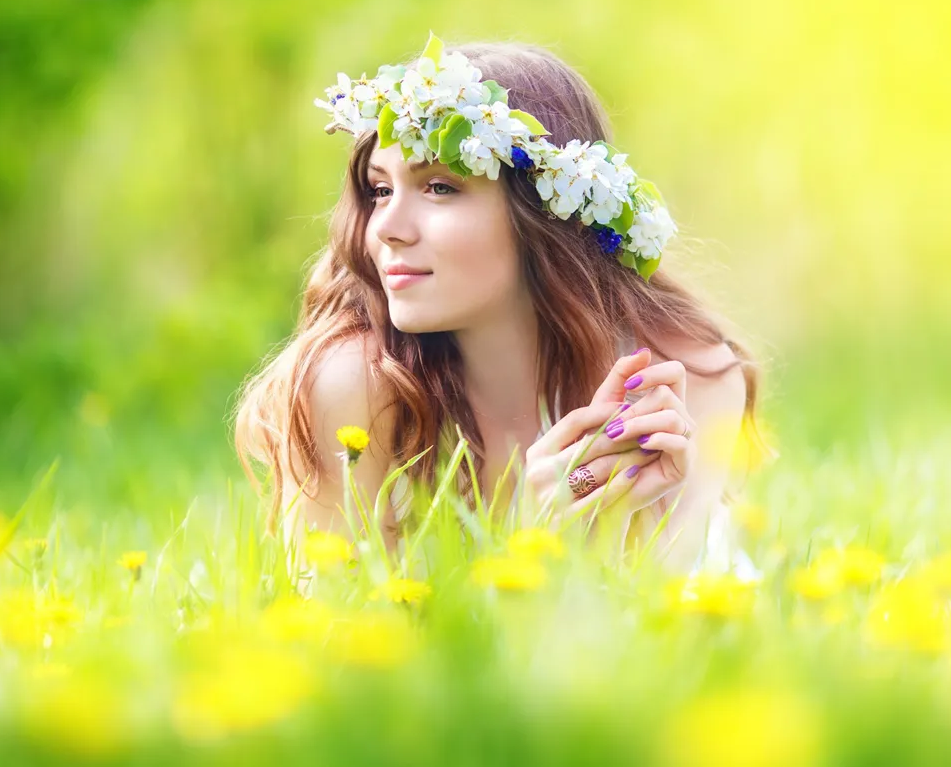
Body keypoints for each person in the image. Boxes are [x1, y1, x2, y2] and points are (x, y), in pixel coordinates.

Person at [233, 33, 770, 578]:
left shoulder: (686, 380)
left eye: (439, 187)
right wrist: (533, 547)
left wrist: (604, 542)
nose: (387, 228)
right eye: (380, 191)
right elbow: (331, 620)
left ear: (545, 212)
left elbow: (667, 618)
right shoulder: (353, 388)